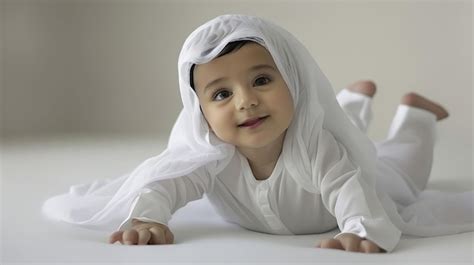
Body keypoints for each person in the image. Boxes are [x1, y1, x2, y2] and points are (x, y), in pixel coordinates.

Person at [42, 14, 473, 253]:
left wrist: (361, 230)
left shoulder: (312, 145)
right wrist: (148, 218)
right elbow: (166, 183)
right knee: (350, 134)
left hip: (373, 178)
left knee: (400, 167)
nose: (245, 102)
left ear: (295, 82)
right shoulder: (208, 155)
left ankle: (417, 117)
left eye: (262, 81)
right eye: (222, 93)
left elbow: (348, 188)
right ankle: (352, 103)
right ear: (200, 111)